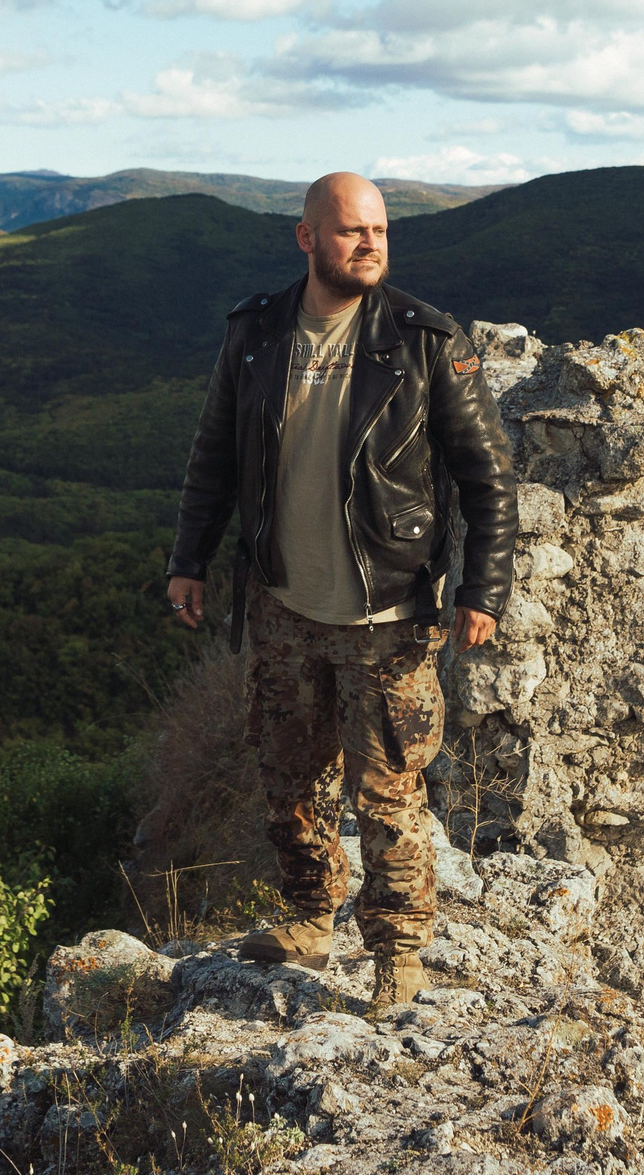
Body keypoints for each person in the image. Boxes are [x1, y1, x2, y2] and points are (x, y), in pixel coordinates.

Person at [166, 171, 517, 1012]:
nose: (371, 244)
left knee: (389, 787)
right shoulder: (256, 334)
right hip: (282, 602)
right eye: (353, 231)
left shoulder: (424, 340)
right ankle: (309, 916)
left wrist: (483, 587)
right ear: (307, 238)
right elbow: (214, 454)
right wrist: (190, 557)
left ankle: (397, 948)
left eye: (382, 231)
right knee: (288, 774)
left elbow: (488, 477)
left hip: (387, 610)